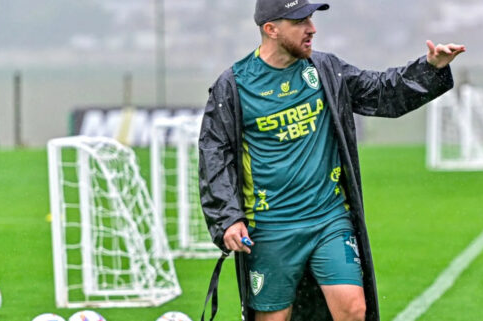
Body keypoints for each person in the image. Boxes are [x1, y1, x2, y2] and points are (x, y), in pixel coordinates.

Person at [198, 0, 465, 320]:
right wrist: (228, 217)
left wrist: (430, 67)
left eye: (310, 19)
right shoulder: (234, 84)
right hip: (270, 228)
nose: (312, 28)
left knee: (354, 309)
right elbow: (214, 155)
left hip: (329, 219)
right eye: (300, 22)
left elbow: (382, 92)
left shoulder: (325, 70)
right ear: (271, 29)